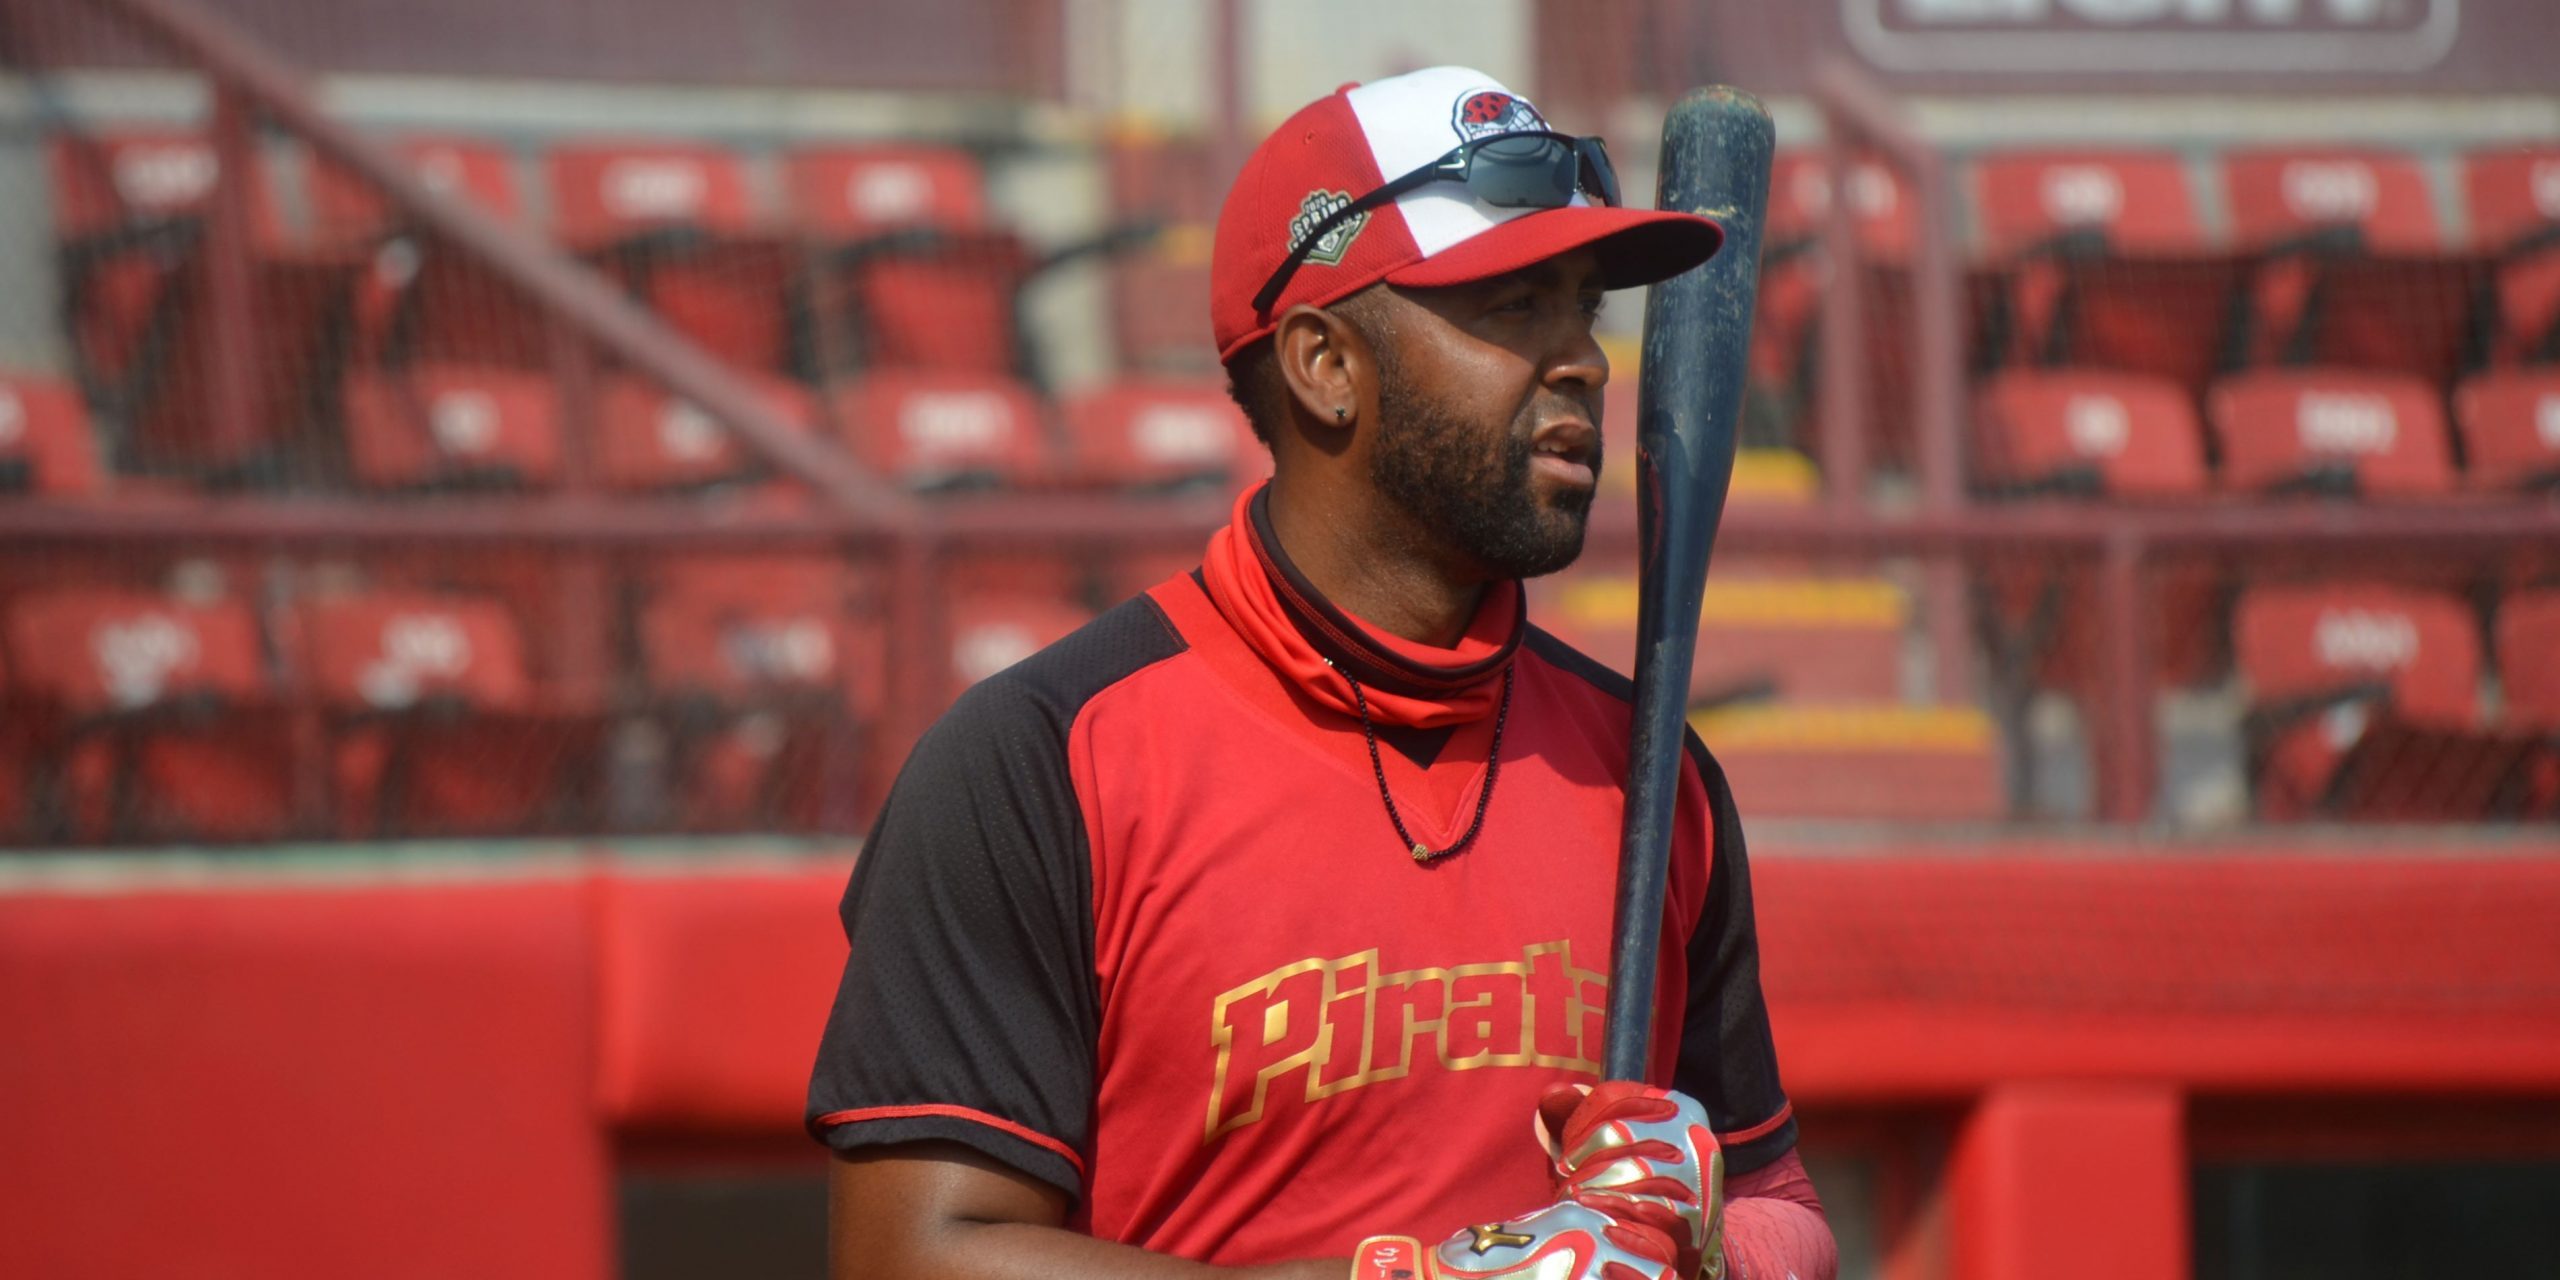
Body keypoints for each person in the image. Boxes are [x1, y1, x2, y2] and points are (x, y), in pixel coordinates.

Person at [807, 66, 1837, 1280]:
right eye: (1513, 305)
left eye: (1585, 310)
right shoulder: (1040, 758)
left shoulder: (1649, 768)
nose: (1585, 362)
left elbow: (1778, 1195)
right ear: (1324, 364)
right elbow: (909, 1254)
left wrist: (1702, 1240)